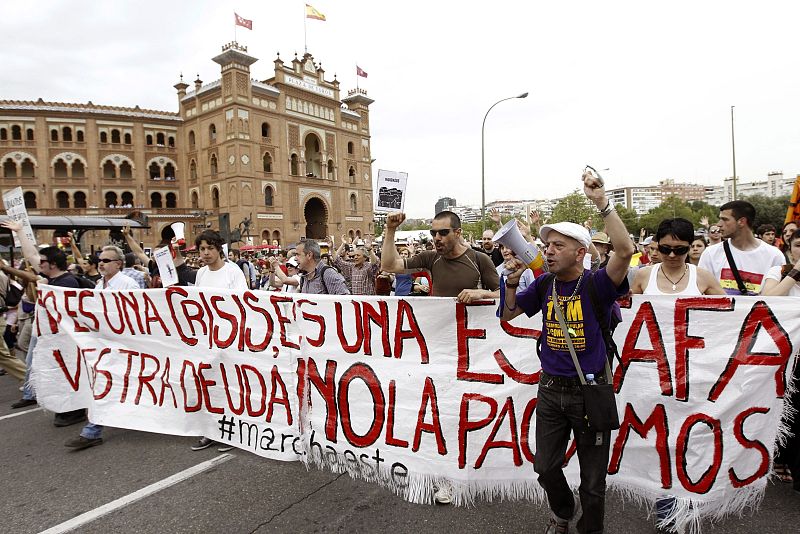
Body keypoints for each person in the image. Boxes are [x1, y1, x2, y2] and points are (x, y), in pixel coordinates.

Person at [499, 171, 634, 534]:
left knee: (593, 483)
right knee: (545, 466)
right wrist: (510, 282)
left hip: (589, 392)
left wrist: (601, 202)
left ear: (579, 252)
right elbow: (510, 314)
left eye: (558, 246)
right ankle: (562, 511)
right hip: (551, 391)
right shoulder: (543, 283)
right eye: (547, 246)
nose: (548, 251)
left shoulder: (598, 284)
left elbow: (625, 251)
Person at [64, 246, 140, 451]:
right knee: (110, 385)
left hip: (122, 345)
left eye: (106, 260)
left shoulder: (128, 284)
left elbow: (137, 315)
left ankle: (92, 431)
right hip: (103, 346)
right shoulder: (99, 285)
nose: (101, 263)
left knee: (107, 385)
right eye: (100, 259)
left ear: (118, 264)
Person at [191, 230, 248, 452]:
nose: (205, 253)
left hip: (230, 339)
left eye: (209, 248)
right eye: (202, 249)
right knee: (210, 386)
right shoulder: (201, 274)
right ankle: (212, 431)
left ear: (219, 249)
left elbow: (243, 306)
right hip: (208, 339)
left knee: (230, 386)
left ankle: (232, 432)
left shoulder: (233, 273)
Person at [381, 210, 500, 303]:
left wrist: (482, 293)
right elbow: (389, 266)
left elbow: (502, 294)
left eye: (443, 233)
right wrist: (391, 229)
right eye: (433, 233)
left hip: (471, 330)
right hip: (440, 331)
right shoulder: (429, 258)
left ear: (457, 233)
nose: (437, 238)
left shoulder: (479, 259)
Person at [761, 228, 800, 492]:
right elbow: (769, 300)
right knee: (788, 409)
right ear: (789, 246)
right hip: (787, 355)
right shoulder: (779, 271)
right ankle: (782, 456)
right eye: (798, 245)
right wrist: (796, 271)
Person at [699, 201, 785, 295]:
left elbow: (779, 296)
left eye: (725, 219)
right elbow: (703, 291)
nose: (719, 224)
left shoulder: (774, 255)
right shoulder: (710, 253)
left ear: (741, 221)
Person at [632, 219, 724, 296]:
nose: (672, 255)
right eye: (665, 249)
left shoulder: (704, 276)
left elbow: (730, 309)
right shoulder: (643, 275)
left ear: (689, 247)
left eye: (679, 250)